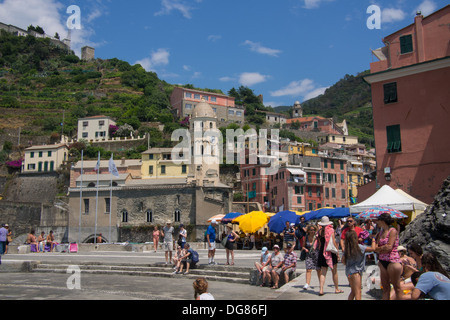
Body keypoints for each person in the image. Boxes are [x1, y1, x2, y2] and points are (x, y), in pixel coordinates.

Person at [374, 213, 403, 300]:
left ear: (382, 221)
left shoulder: (392, 231)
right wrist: (382, 248)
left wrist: (380, 249)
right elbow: (375, 248)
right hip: (382, 260)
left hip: (392, 260)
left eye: (378, 220)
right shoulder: (381, 232)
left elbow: (389, 247)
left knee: (397, 287)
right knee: (385, 287)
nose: (377, 222)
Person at [342, 230, 375, 300]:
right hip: (356, 272)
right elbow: (373, 248)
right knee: (358, 292)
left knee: (353, 291)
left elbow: (343, 261)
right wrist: (373, 240)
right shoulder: (360, 247)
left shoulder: (347, 249)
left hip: (348, 272)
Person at [315, 216, 343, 296]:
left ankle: (321, 289)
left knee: (323, 272)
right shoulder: (331, 230)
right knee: (334, 271)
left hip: (322, 252)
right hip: (330, 252)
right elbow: (333, 242)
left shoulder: (319, 231)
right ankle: (336, 288)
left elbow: (319, 243)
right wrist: (337, 252)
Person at [301, 224, 319, 290]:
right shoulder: (306, 237)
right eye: (311, 230)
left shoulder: (317, 237)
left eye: (314, 230)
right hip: (308, 254)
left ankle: (320, 282)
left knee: (318, 269)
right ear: (308, 231)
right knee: (308, 269)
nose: (312, 231)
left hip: (316, 254)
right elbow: (303, 246)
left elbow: (320, 245)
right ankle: (307, 283)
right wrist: (305, 249)